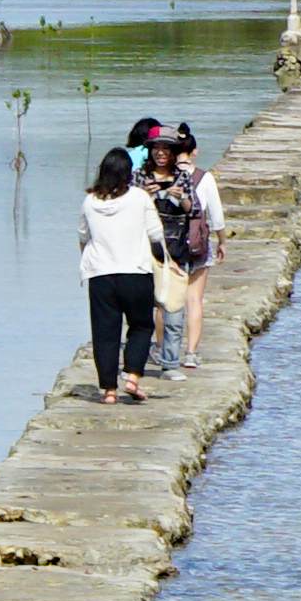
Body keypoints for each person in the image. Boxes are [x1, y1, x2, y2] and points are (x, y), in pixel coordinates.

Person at [75, 147, 166, 403]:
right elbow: (156, 234)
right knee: (141, 325)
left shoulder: (90, 202)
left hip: (101, 274)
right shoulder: (138, 198)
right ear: (128, 173)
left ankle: (109, 391)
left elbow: (83, 237)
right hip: (135, 271)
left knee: (105, 331)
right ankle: (133, 377)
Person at [146, 120, 214, 372]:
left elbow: (195, 210)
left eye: (166, 148)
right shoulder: (139, 176)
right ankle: (160, 351)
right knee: (154, 304)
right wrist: (145, 195)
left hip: (176, 247)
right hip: (148, 248)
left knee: (174, 304)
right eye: (156, 148)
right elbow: (130, 210)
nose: (161, 153)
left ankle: (170, 360)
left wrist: (181, 198)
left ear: (174, 152)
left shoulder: (183, 178)